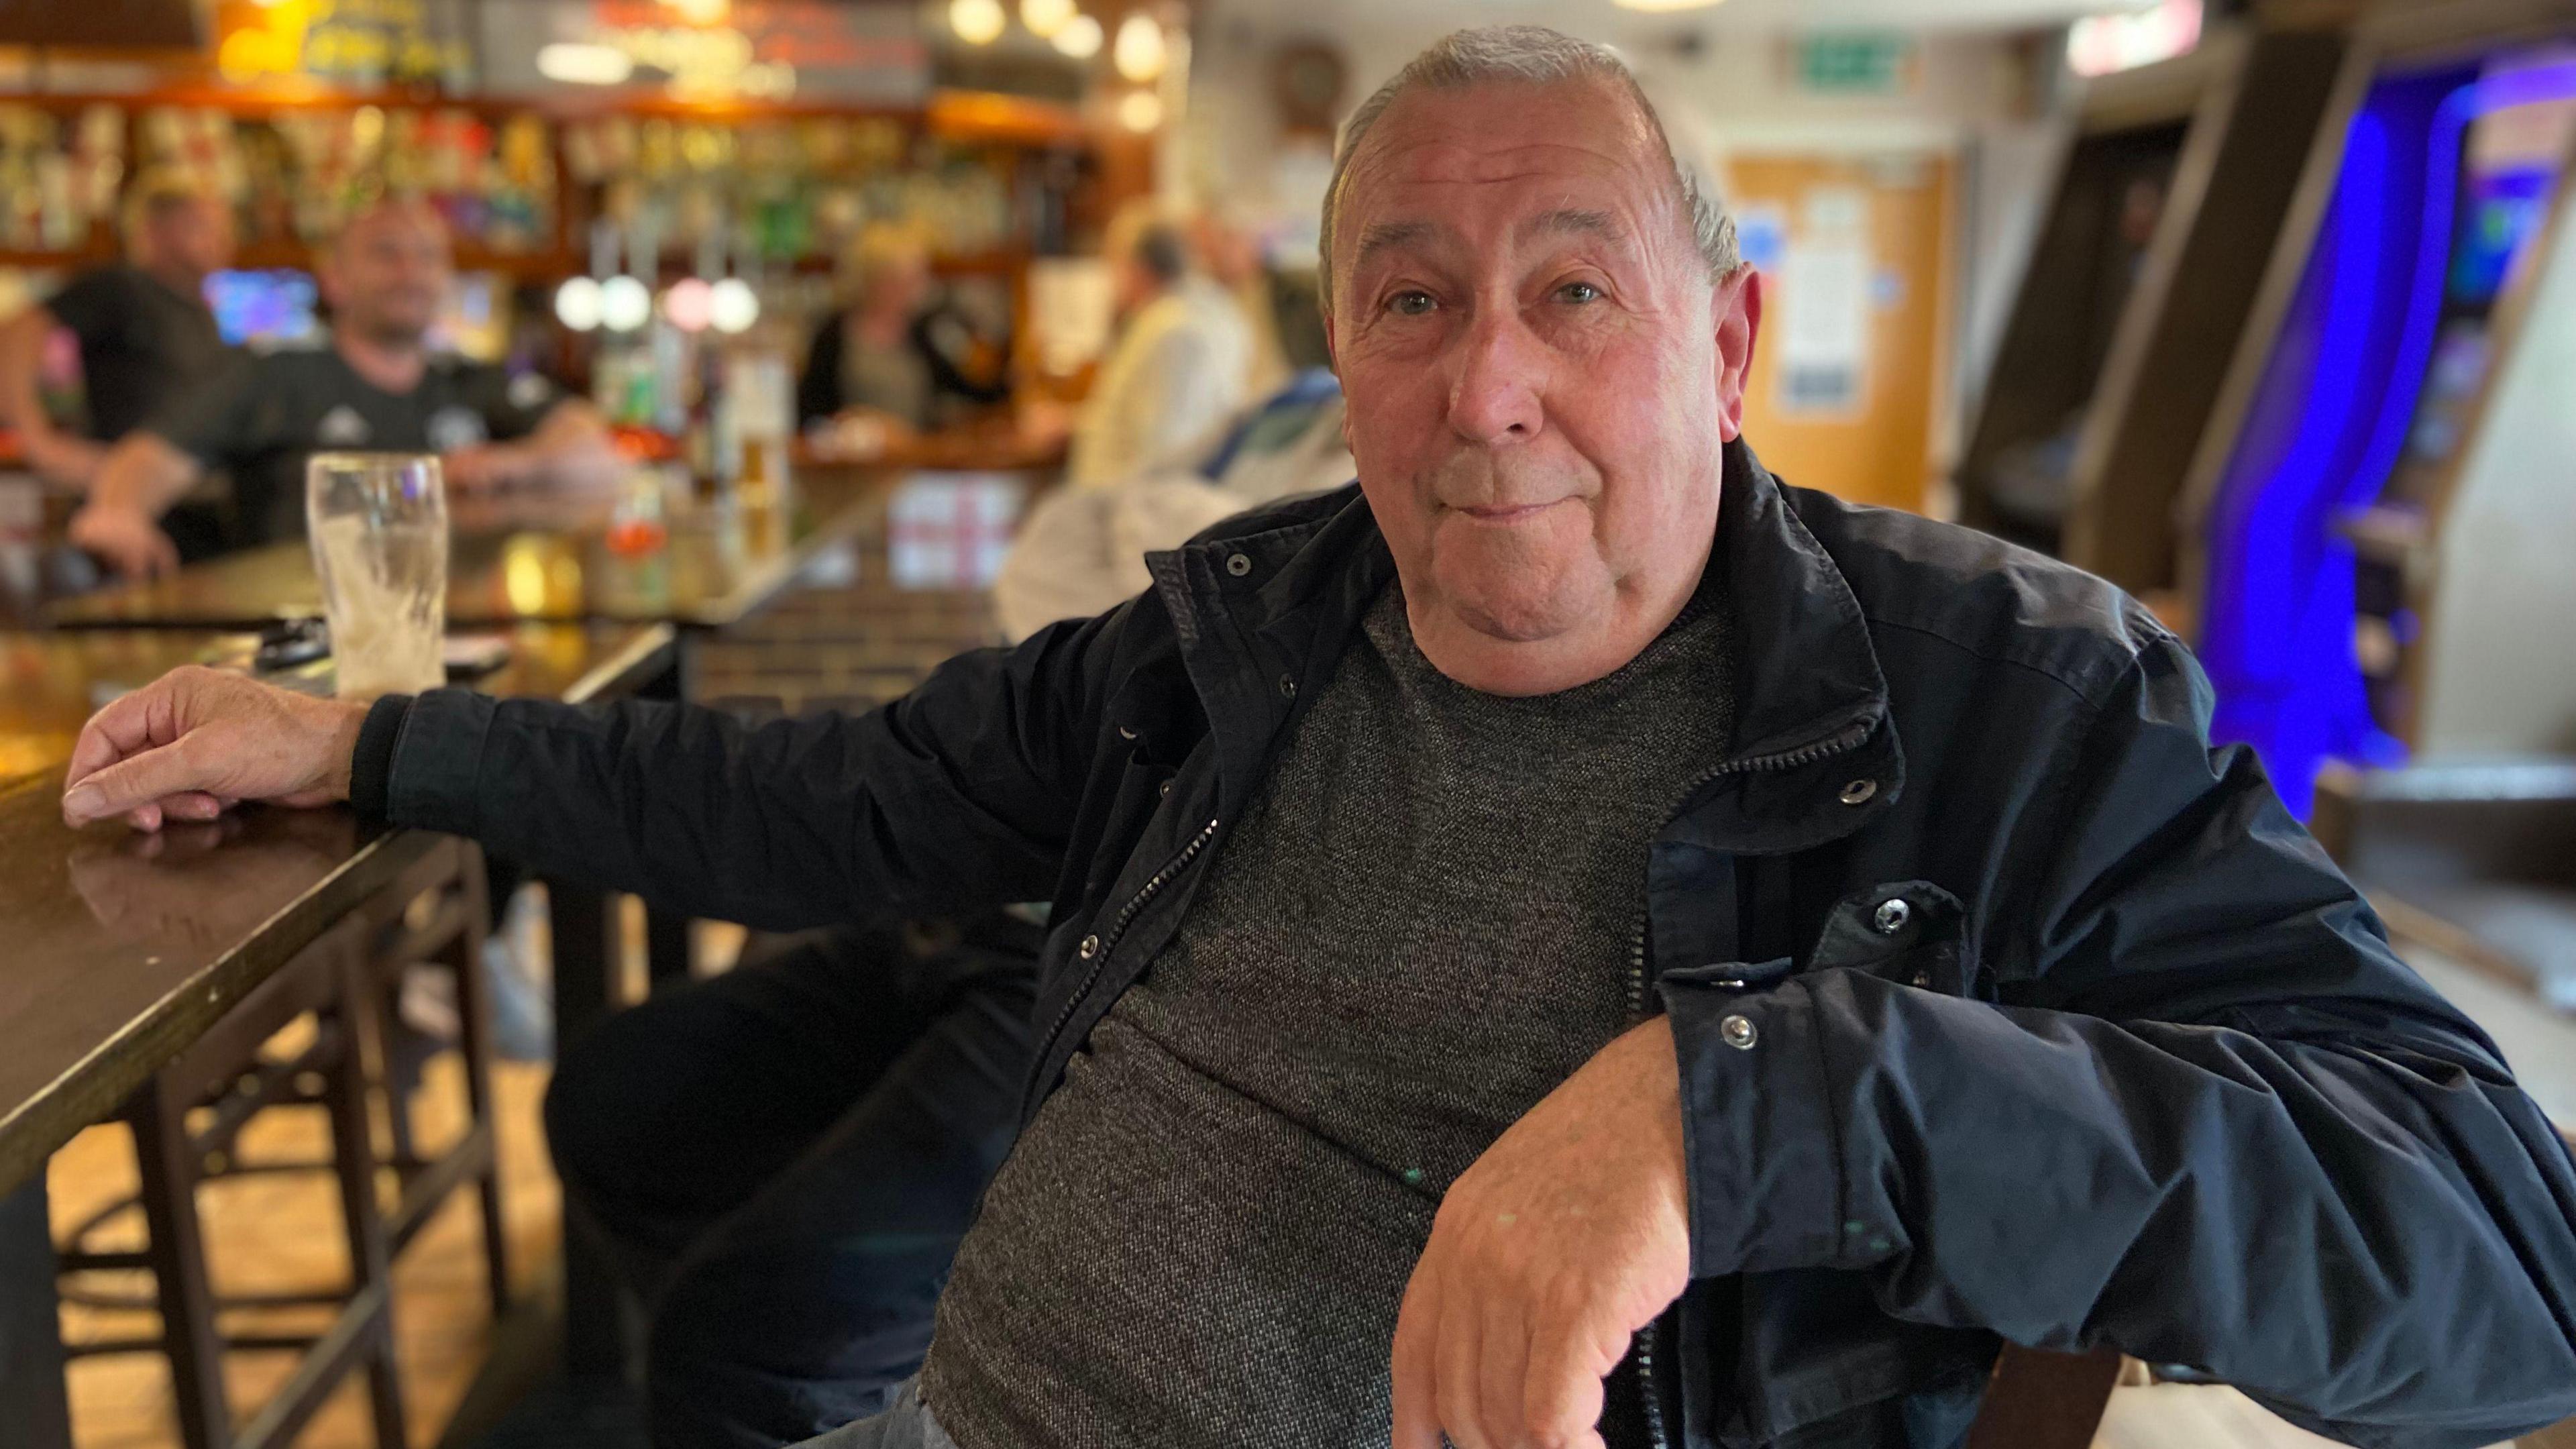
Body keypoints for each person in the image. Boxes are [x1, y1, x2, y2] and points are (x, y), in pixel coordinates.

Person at [58, 25, 2576, 1449]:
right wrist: (384, 746)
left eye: (1573, 290)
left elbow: (2489, 1259)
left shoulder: (2005, 696)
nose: (1489, 388)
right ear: (1337, 359)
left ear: (1720, 341)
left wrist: (1756, 1103)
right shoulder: (1247, 622)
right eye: (1411, 296)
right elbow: (816, 801)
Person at [68, 193, 619, 578]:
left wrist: (512, 463)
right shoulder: (275, 373)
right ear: (334, 278)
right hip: (301, 635)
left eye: (428, 256)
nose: (410, 271)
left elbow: (593, 446)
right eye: (386, 253)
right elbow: (152, 454)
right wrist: (119, 513)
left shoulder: (470, 379)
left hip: (456, 631)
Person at [0, 169, 233, 529]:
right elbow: (17, 334)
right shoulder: (121, 287)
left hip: (189, 509)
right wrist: (40, 444)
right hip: (129, 511)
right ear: (155, 231)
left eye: (222, 227)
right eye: (200, 227)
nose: (221, 240)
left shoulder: (198, 307)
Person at [1063, 205, 1252, 490]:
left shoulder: (1175, 332)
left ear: (1134, 267)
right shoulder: (1211, 310)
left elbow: (1164, 452)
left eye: (1112, 262)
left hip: (1137, 514)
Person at [797, 227, 1009, 436]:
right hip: (853, 461)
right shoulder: (834, 335)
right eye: (897, 280)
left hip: (916, 458)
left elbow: (973, 389)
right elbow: (810, 414)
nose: (912, 289)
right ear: (871, 280)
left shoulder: (928, 330)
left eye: (915, 279)